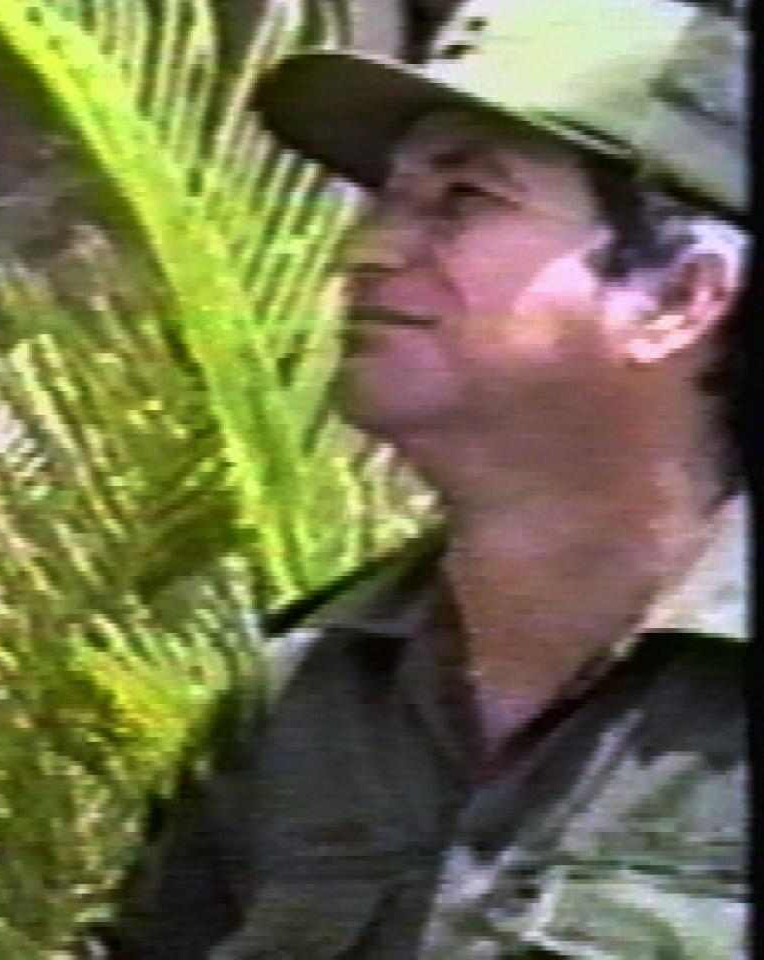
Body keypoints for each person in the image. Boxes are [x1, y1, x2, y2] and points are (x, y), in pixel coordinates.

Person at [100, 0, 748, 955]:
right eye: (386, 201)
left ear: (679, 297)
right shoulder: (306, 703)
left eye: (464, 200)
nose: (363, 252)